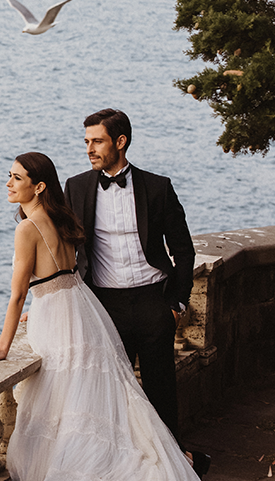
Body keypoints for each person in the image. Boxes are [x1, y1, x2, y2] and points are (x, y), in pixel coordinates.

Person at [0, 153, 256, 481]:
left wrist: (3, 345)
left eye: (16, 178)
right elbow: (63, 274)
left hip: (56, 318)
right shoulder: (57, 219)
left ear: (38, 187)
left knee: (65, 413)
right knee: (93, 404)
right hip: (80, 310)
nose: (7, 184)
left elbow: (19, 292)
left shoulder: (26, 228)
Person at [64, 109, 193, 452]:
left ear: (120, 142)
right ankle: (122, 464)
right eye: (87, 142)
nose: (90, 149)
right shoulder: (76, 188)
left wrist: (177, 304)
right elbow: (62, 251)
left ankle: (175, 467)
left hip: (153, 302)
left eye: (98, 141)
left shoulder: (157, 188)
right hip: (106, 306)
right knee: (110, 393)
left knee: (161, 391)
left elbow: (183, 249)